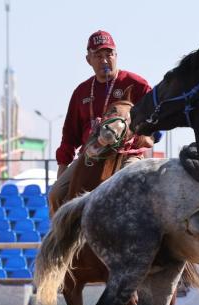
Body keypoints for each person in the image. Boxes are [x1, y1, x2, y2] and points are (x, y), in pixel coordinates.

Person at [48, 30, 153, 213]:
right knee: (56, 194)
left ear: (116, 55)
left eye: (109, 54)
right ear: (88, 59)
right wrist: (63, 167)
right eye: (98, 55)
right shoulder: (81, 92)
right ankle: (61, 240)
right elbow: (69, 135)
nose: (104, 60)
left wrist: (139, 135)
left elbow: (155, 121)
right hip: (90, 155)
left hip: (127, 154)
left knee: (136, 191)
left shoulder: (137, 84)